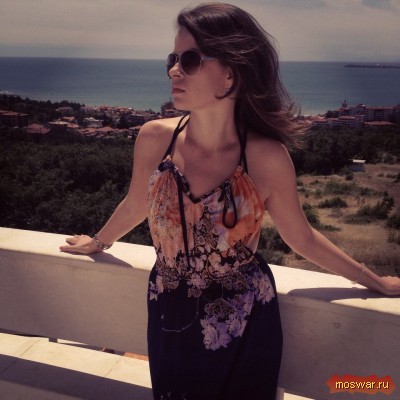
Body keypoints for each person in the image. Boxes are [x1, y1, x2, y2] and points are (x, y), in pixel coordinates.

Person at [60, 3, 400, 399]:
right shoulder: (155, 138)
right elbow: (137, 202)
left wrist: (375, 281)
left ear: (230, 74)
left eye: (189, 60)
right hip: (169, 306)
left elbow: (301, 237)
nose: (174, 71)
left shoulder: (265, 156)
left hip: (243, 316)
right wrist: (98, 242)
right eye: (173, 59)